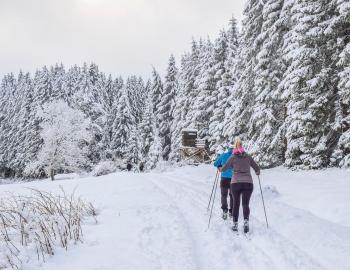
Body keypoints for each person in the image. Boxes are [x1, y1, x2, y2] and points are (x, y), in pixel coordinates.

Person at [219, 137, 260, 233]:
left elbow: (224, 168)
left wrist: (220, 169)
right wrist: (257, 172)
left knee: (236, 204)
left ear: (235, 147)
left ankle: (235, 224)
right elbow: (256, 168)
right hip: (248, 183)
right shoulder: (248, 157)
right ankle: (246, 222)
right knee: (245, 204)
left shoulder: (232, 157)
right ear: (242, 146)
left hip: (235, 183)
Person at [214, 144, 234, 220]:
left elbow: (215, 163)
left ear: (228, 149)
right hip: (234, 179)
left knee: (224, 195)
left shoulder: (223, 155)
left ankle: (225, 210)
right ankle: (232, 212)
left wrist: (219, 166)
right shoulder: (237, 156)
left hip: (224, 178)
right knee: (232, 195)